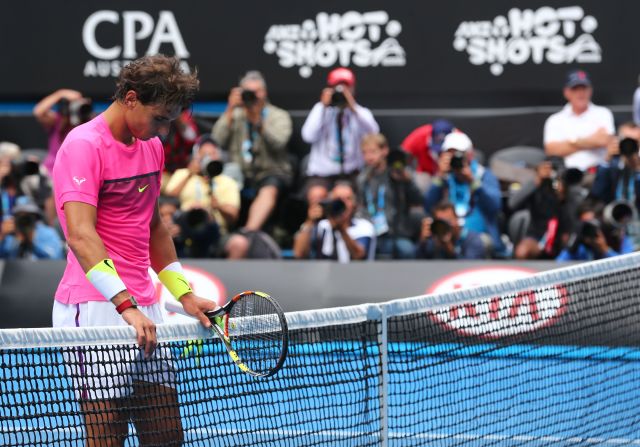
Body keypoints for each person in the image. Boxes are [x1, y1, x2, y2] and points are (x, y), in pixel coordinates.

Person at [51, 55, 217, 446]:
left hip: (144, 305)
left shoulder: (151, 147)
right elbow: (80, 234)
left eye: (170, 120)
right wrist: (125, 306)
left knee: (165, 433)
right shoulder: (83, 145)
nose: (164, 128)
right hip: (95, 308)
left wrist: (184, 293)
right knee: (107, 436)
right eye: (159, 117)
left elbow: (153, 227)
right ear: (129, 98)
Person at [212, 70, 292, 233]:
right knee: (222, 182)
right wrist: (229, 110)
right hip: (240, 172)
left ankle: (248, 233)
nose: (252, 96)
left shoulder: (278, 115)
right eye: (248, 92)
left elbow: (279, 143)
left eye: (256, 92)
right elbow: (216, 141)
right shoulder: (235, 115)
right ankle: (221, 234)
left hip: (271, 171)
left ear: (264, 93)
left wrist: (258, 122)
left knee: (269, 187)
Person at [301, 67, 379, 204]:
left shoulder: (359, 112)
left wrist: (352, 106)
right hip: (322, 175)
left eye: (346, 87)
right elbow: (308, 136)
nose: (342, 91)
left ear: (353, 88)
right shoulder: (320, 110)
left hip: (351, 174)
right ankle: (317, 225)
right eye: (337, 87)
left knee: (346, 195)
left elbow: (374, 133)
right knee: (316, 194)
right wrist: (323, 107)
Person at [424, 132, 503, 256]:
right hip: (448, 234)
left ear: (469, 155)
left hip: (479, 237)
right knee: (430, 245)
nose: (454, 158)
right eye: (449, 154)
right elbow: (428, 207)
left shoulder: (483, 175)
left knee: (478, 244)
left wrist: (473, 182)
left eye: (457, 154)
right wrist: (439, 177)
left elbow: (494, 207)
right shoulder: (444, 179)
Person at [164, 134, 240, 257]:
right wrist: (189, 174)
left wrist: (218, 206)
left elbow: (233, 215)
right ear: (196, 156)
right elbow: (168, 199)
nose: (208, 158)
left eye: (212, 154)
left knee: (239, 244)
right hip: (183, 228)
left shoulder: (227, 181)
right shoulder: (182, 174)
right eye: (204, 154)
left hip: (215, 231)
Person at [356, 133, 423, 259]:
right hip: (372, 232)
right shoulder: (363, 179)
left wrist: (406, 181)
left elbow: (418, 199)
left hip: (397, 233)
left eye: (373, 152)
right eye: (365, 153)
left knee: (407, 250)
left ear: (384, 151)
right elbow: (361, 206)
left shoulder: (397, 173)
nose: (369, 157)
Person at [508, 157, 584, 259]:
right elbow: (512, 204)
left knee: (575, 246)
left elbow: (577, 214)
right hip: (538, 236)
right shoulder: (538, 186)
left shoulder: (571, 189)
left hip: (564, 234)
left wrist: (564, 194)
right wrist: (537, 181)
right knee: (523, 251)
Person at [543, 69, 615, 174]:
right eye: (575, 89)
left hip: (597, 173)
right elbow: (552, 150)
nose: (580, 93)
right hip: (567, 175)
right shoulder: (555, 120)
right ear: (567, 92)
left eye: (584, 88)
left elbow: (604, 140)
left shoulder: (603, 113)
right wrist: (592, 140)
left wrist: (572, 142)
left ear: (590, 90)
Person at [293, 181, 375, 262]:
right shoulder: (322, 226)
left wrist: (341, 229)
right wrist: (309, 222)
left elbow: (359, 257)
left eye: (348, 199)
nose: (343, 204)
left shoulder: (363, 227)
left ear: (354, 204)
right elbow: (299, 254)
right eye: (338, 199)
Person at [33, 88, 94, 175]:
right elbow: (39, 112)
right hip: (52, 171)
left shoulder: (89, 123)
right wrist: (60, 94)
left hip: (77, 172)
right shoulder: (58, 120)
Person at [416, 202, 490, 259]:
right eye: (441, 222)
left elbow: (468, 271)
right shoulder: (435, 240)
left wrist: (450, 249)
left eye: (448, 221)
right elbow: (418, 266)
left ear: (457, 219)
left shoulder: (473, 240)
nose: (444, 226)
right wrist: (423, 242)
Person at [400, 119, 455, 193]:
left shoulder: (460, 139)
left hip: (452, 174)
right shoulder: (419, 136)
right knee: (421, 182)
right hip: (425, 172)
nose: (439, 153)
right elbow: (401, 155)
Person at [160, 109, 200, 188]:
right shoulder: (161, 116)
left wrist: (181, 123)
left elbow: (192, 137)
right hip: (165, 171)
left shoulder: (184, 115)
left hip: (184, 170)